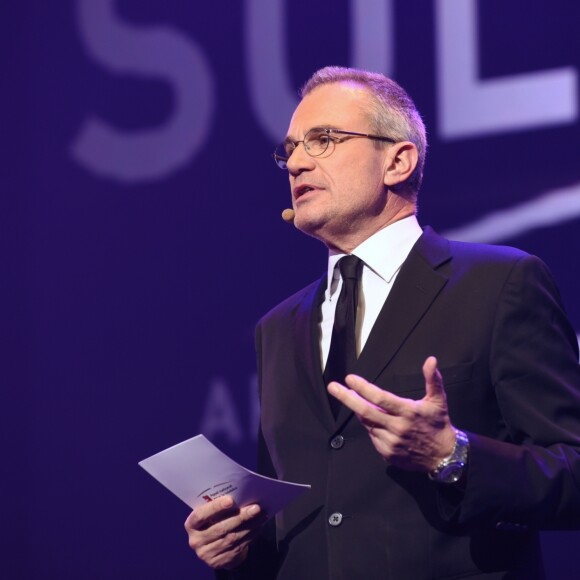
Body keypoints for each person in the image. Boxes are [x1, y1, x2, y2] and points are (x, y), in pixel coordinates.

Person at [184, 66, 580, 579]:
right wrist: (237, 547)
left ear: (397, 160)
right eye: (290, 149)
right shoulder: (277, 328)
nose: (297, 162)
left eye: (323, 140)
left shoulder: (499, 283)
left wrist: (452, 456)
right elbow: (312, 516)